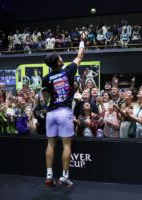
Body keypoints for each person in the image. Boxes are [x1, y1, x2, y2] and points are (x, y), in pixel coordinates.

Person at [42, 39, 85, 187]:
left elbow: (46, 96)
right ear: (59, 62)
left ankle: (49, 175)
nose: (62, 58)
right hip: (64, 111)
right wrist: (82, 41)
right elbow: (79, 56)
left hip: (51, 113)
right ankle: (64, 177)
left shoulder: (46, 78)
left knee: (51, 144)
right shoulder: (69, 70)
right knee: (66, 145)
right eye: (60, 57)